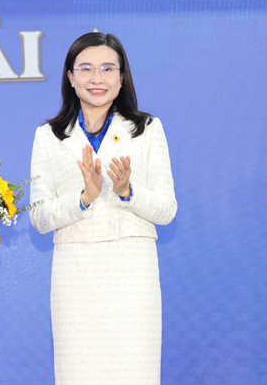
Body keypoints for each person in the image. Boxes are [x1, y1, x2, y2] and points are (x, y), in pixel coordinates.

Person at [29, 32, 177, 384]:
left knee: (134, 370)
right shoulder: (48, 135)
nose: (97, 78)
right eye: (86, 69)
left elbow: (167, 210)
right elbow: (38, 216)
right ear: (70, 76)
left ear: (122, 77)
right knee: (79, 371)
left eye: (108, 69)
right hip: (75, 274)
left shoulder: (147, 129)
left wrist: (128, 191)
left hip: (132, 271)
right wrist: (83, 198)